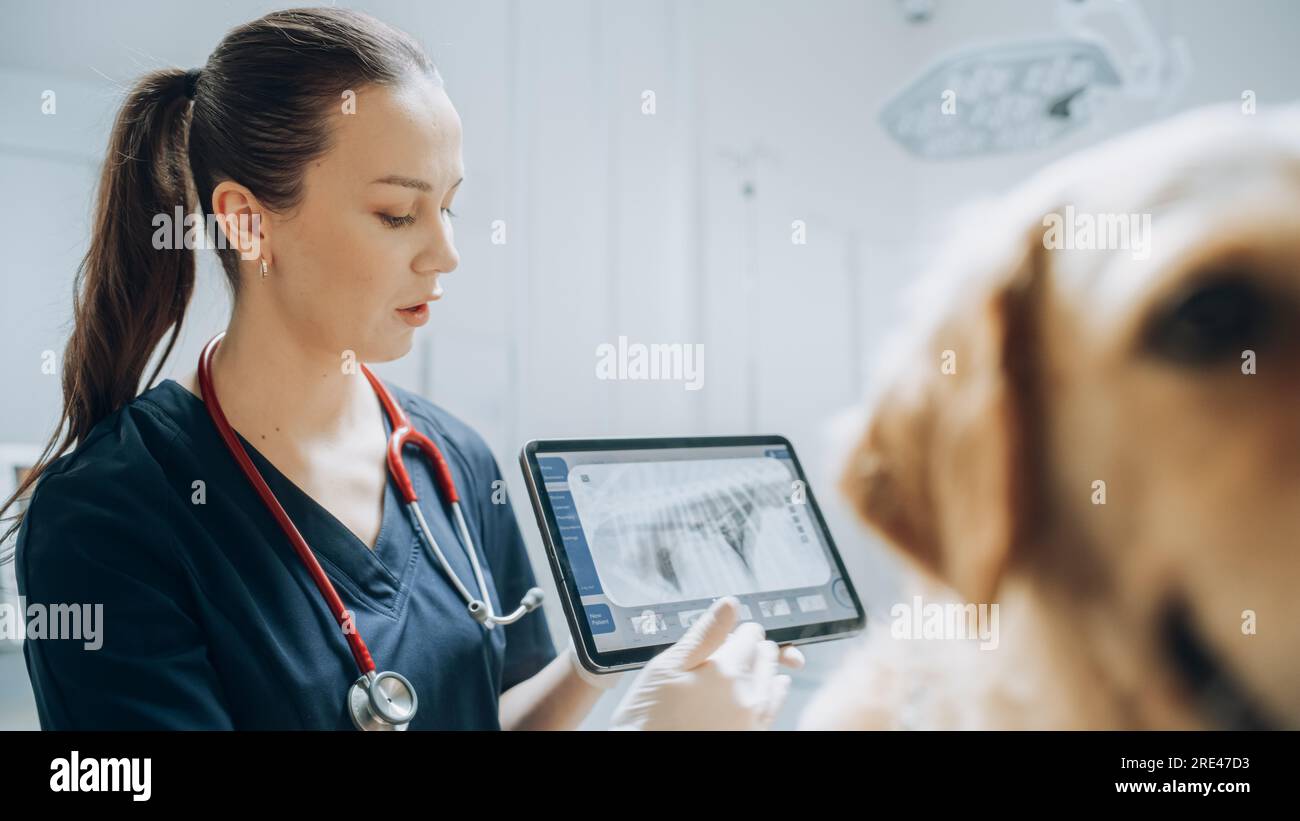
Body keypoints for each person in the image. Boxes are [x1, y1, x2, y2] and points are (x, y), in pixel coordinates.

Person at [0, 7, 801, 731]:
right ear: (247, 222)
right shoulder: (105, 518)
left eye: (448, 205)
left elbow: (483, 715)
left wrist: (601, 665)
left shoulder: (456, 459)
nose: (446, 252)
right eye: (397, 213)